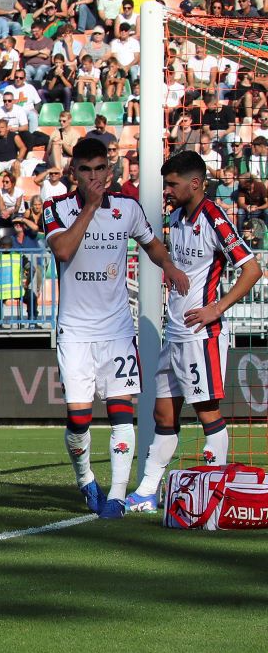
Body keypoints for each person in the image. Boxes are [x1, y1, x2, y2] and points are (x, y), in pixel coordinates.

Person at [43, 139, 189, 519]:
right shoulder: (55, 208)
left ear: (110, 171)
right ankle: (85, 477)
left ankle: (118, 495)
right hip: (75, 332)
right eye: (85, 169)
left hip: (118, 330)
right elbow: (62, 251)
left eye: (99, 169)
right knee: (78, 419)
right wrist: (90, 207)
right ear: (73, 171)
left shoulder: (128, 209)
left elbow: (152, 245)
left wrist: (169, 267)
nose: (93, 176)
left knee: (121, 413)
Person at [127, 151, 263, 512]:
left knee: (206, 410)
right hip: (175, 333)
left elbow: (252, 270)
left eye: (172, 184)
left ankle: (216, 493)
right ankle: (147, 491)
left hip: (201, 336)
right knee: (163, 415)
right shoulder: (176, 217)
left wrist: (216, 308)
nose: (167, 191)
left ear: (196, 183)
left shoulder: (216, 218)